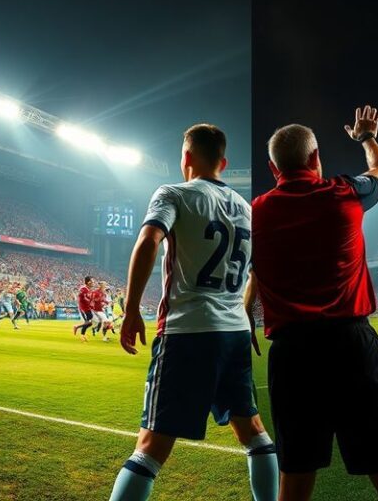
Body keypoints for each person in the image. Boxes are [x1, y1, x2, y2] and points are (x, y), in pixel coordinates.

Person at [251, 106, 378, 501]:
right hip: (351, 348)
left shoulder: (255, 213)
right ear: (315, 158)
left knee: (294, 481)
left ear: (275, 170)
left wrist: (243, 308)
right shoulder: (345, 192)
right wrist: (365, 138)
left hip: (292, 358)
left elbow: (255, 266)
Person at [111, 124, 278, 501]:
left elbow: (148, 240)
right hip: (233, 332)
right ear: (224, 161)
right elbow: (259, 271)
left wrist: (132, 307)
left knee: (151, 446)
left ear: (185, 157)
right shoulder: (247, 209)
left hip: (187, 332)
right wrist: (246, 312)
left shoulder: (173, 193)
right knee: (253, 430)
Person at [73, 277, 94, 341]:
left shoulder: (89, 290)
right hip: (83, 309)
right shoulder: (83, 289)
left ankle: (79, 329)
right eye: (92, 281)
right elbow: (82, 298)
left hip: (88, 308)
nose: (93, 283)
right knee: (88, 322)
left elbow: (89, 299)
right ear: (88, 282)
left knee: (90, 323)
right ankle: (81, 334)